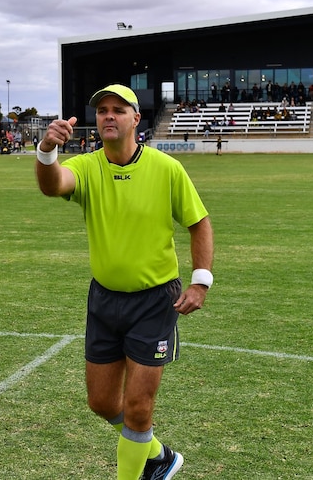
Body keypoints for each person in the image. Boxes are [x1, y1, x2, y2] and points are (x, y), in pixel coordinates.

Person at [34, 84, 214, 480]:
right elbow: (52, 185)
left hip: (154, 301)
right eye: (102, 111)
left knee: (137, 407)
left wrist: (200, 281)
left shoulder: (166, 168)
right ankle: (160, 456)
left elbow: (199, 223)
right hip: (104, 299)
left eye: (118, 109)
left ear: (136, 119)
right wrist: (46, 151)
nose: (108, 116)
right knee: (100, 401)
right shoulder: (85, 165)